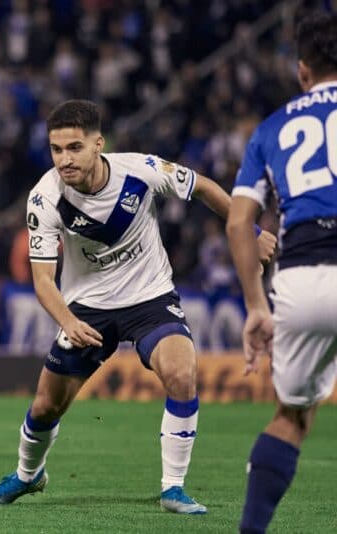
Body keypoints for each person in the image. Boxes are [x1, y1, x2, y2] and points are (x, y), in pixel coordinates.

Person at [0, 99, 276, 513]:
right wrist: (67, 320)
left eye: (75, 148)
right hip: (86, 309)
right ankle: (28, 475)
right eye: (56, 150)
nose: (64, 159)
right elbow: (42, 280)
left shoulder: (141, 170)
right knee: (46, 405)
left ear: (99, 144)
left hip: (149, 298)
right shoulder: (44, 198)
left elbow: (203, 186)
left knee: (181, 371)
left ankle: (173, 487)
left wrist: (251, 230)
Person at [225, 12, 337, 534]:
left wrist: (255, 305)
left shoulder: (272, 128)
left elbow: (239, 220)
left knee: (293, 414)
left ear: (302, 71)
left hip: (304, 276)